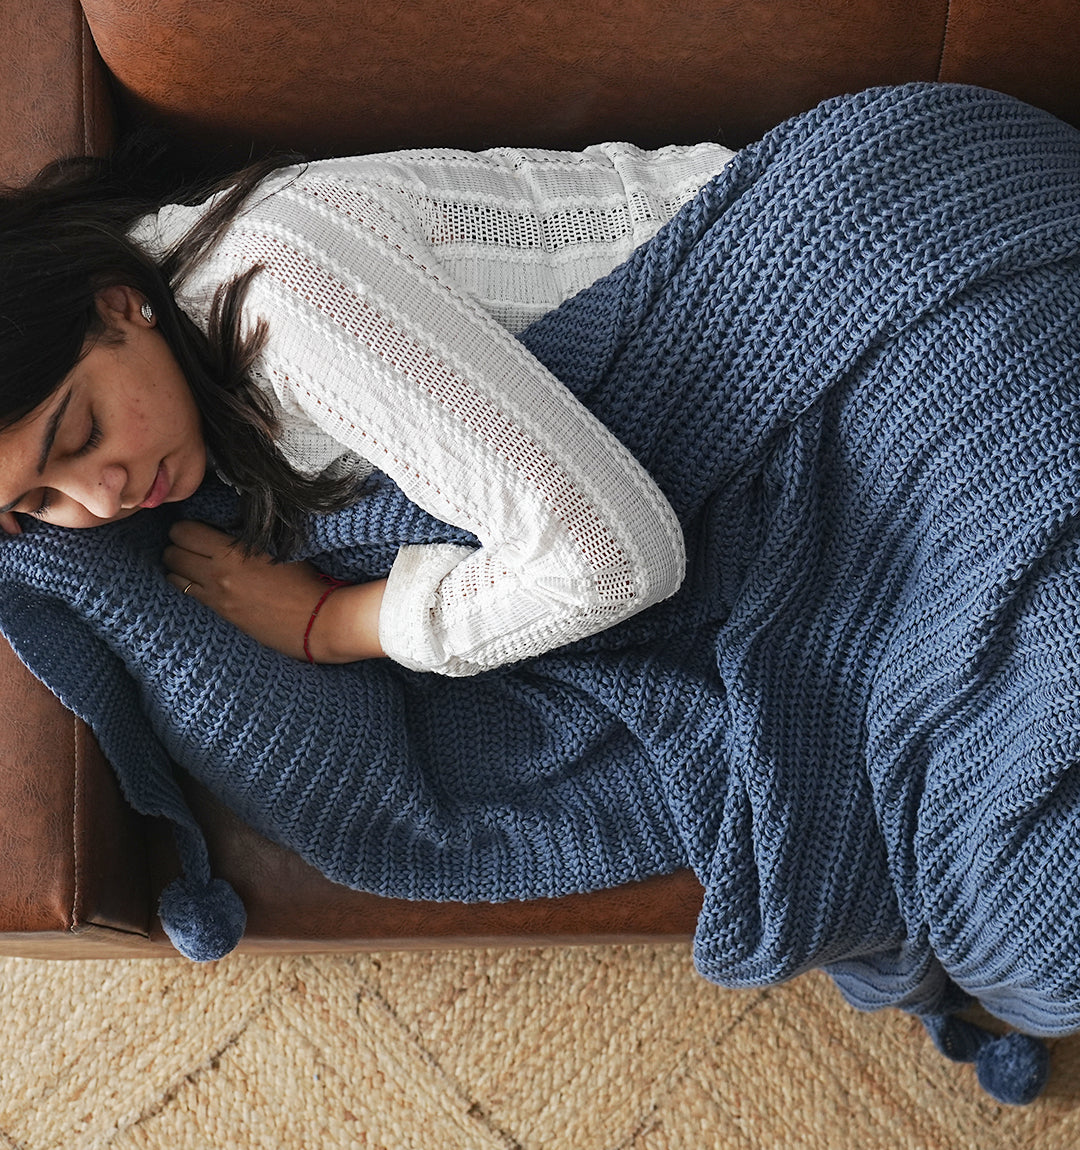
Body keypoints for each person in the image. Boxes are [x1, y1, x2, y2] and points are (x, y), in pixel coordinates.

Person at [0, 137, 734, 674]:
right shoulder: (178, 374)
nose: (101, 499)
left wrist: (331, 623)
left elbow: (611, 559)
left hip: (767, 280)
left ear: (119, 307)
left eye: (84, 433)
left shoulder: (283, 297)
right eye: (36, 500)